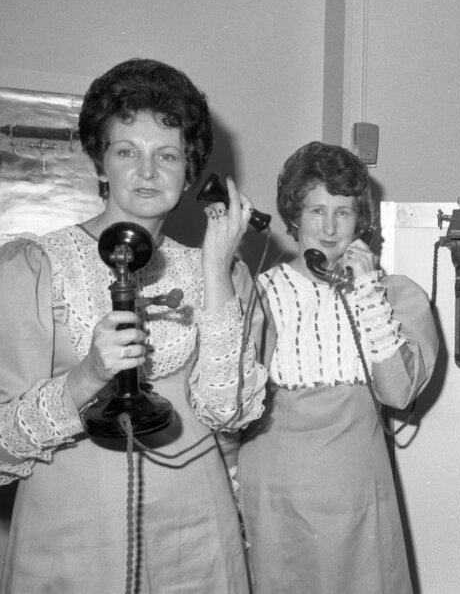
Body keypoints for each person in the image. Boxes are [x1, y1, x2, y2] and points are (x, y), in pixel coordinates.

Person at [0, 58, 267, 592]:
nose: (147, 172)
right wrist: (88, 375)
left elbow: (227, 411)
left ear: (190, 173)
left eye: (166, 155)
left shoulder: (221, 272)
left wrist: (215, 270)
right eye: (127, 152)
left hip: (196, 523)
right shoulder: (33, 267)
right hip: (72, 526)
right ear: (100, 163)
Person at [238, 141, 438, 594]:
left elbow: (397, 393)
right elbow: (230, 405)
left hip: (358, 490)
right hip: (275, 489)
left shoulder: (395, 297)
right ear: (293, 217)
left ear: (360, 219)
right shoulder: (260, 294)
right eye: (315, 211)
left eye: (343, 212)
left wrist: (367, 291)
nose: (329, 228)